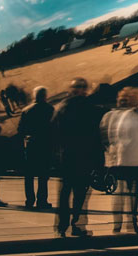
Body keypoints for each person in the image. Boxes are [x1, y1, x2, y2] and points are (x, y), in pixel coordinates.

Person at [102, 87, 138, 235]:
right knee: (121, 192)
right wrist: (119, 148)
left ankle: (133, 222)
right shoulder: (126, 115)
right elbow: (116, 134)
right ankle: (118, 223)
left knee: (135, 193)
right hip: (125, 159)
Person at [52, 77, 102, 237]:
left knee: (66, 192)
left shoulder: (61, 107)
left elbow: (52, 132)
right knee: (79, 193)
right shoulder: (89, 107)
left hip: (67, 156)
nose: (79, 89)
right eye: (79, 87)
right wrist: (98, 160)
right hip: (82, 155)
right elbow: (95, 135)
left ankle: (62, 227)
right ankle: (75, 225)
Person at [19, 86, 54, 209]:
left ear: (34, 96)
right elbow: (53, 128)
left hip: (30, 144)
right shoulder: (50, 109)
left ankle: (29, 200)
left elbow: (20, 130)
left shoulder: (26, 110)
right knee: (43, 175)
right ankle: (42, 200)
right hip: (45, 144)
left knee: (29, 174)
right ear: (45, 96)